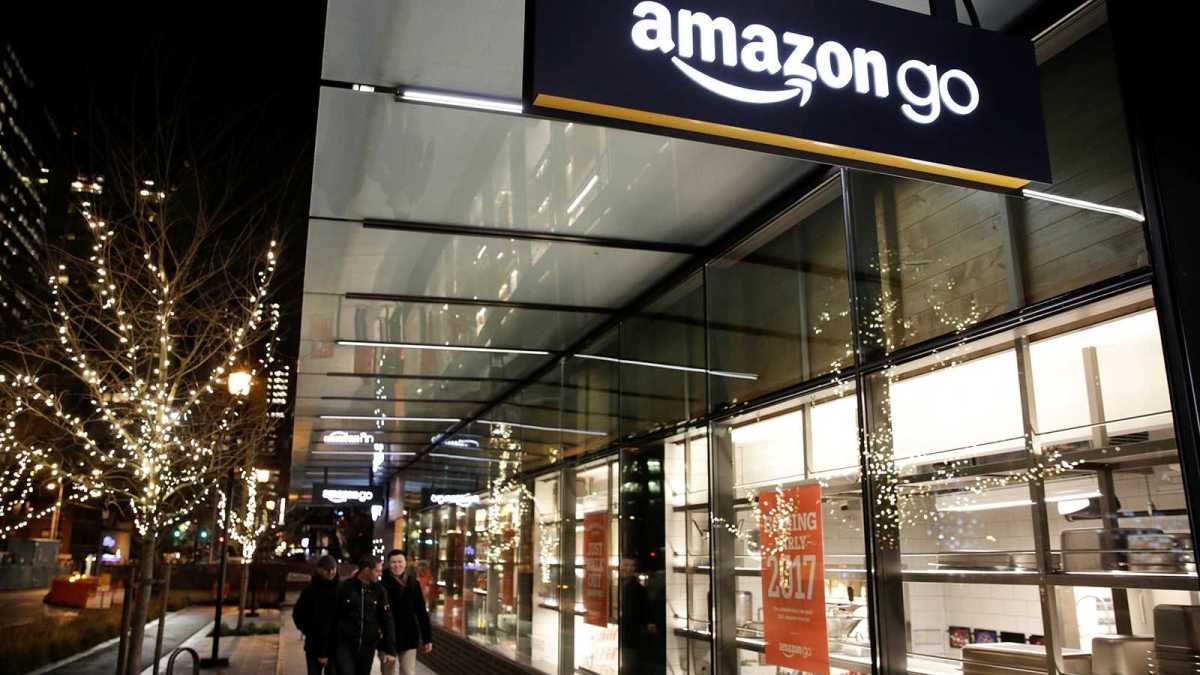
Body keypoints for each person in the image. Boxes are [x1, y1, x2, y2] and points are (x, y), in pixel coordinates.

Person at [333, 555, 398, 675]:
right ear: (367, 570)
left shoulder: (380, 591)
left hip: (367, 647)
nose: (380, 574)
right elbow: (333, 617)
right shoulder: (345, 587)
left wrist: (390, 649)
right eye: (377, 571)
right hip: (345, 645)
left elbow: (387, 620)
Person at [379, 550, 433, 675]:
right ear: (388, 563)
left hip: (408, 635)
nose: (397, 565)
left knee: (408, 672)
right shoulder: (380, 584)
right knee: (388, 672)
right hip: (386, 637)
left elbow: (421, 612)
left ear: (405, 563)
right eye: (393, 562)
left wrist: (427, 638)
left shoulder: (413, 583)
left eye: (400, 562)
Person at [294, 556, 340, 675]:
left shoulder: (341, 589)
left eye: (333, 569)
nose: (331, 572)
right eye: (327, 569)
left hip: (335, 646)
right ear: (319, 570)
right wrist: (308, 630)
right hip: (314, 646)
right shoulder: (310, 591)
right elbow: (298, 614)